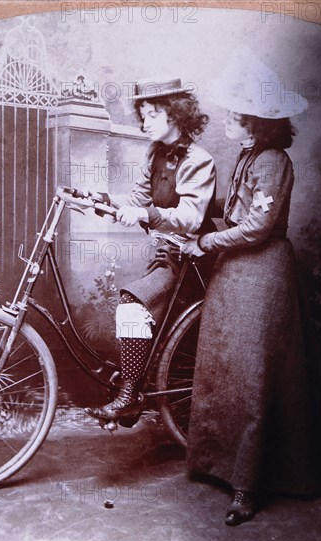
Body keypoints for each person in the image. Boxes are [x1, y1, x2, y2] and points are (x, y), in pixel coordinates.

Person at [186, 55, 321, 526]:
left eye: (234, 114)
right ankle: (217, 465)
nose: (226, 120)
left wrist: (204, 241)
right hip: (235, 275)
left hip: (263, 276)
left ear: (255, 122)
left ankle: (249, 483)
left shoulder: (273, 161)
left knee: (254, 378)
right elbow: (229, 207)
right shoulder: (247, 157)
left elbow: (257, 227)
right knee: (225, 370)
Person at [84, 77, 217, 422]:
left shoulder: (198, 160)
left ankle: (129, 396)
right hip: (166, 255)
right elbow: (137, 200)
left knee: (131, 305)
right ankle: (136, 385)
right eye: (142, 115)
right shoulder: (156, 154)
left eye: (151, 116)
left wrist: (145, 214)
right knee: (134, 309)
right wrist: (99, 199)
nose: (144, 124)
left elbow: (190, 217)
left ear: (174, 115)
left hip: (191, 260)